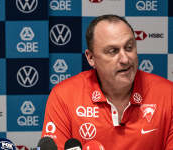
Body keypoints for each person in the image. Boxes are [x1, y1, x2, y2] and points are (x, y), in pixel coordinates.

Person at [41, 14, 173, 149]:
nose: (125, 59)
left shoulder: (168, 95)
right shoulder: (64, 96)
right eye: (112, 51)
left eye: (129, 47)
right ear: (91, 58)